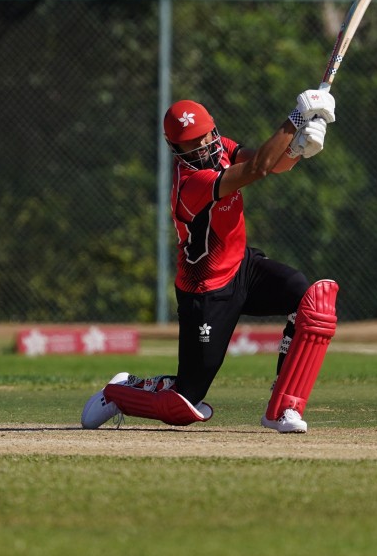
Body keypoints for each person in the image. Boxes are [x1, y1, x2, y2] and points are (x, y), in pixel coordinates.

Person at [81, 91, 340, 434]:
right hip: (206, 293)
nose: (204, 145)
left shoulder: (221, 148)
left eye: (206, 135)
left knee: (306, 296)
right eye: (192, 143)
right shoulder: (191, 184)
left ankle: (283, 407)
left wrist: (300, 147)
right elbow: (258, 169)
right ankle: (122, 391)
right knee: (185, 401)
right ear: (177, 150)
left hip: (243, 267)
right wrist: (295, 119)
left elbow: (275, 163)